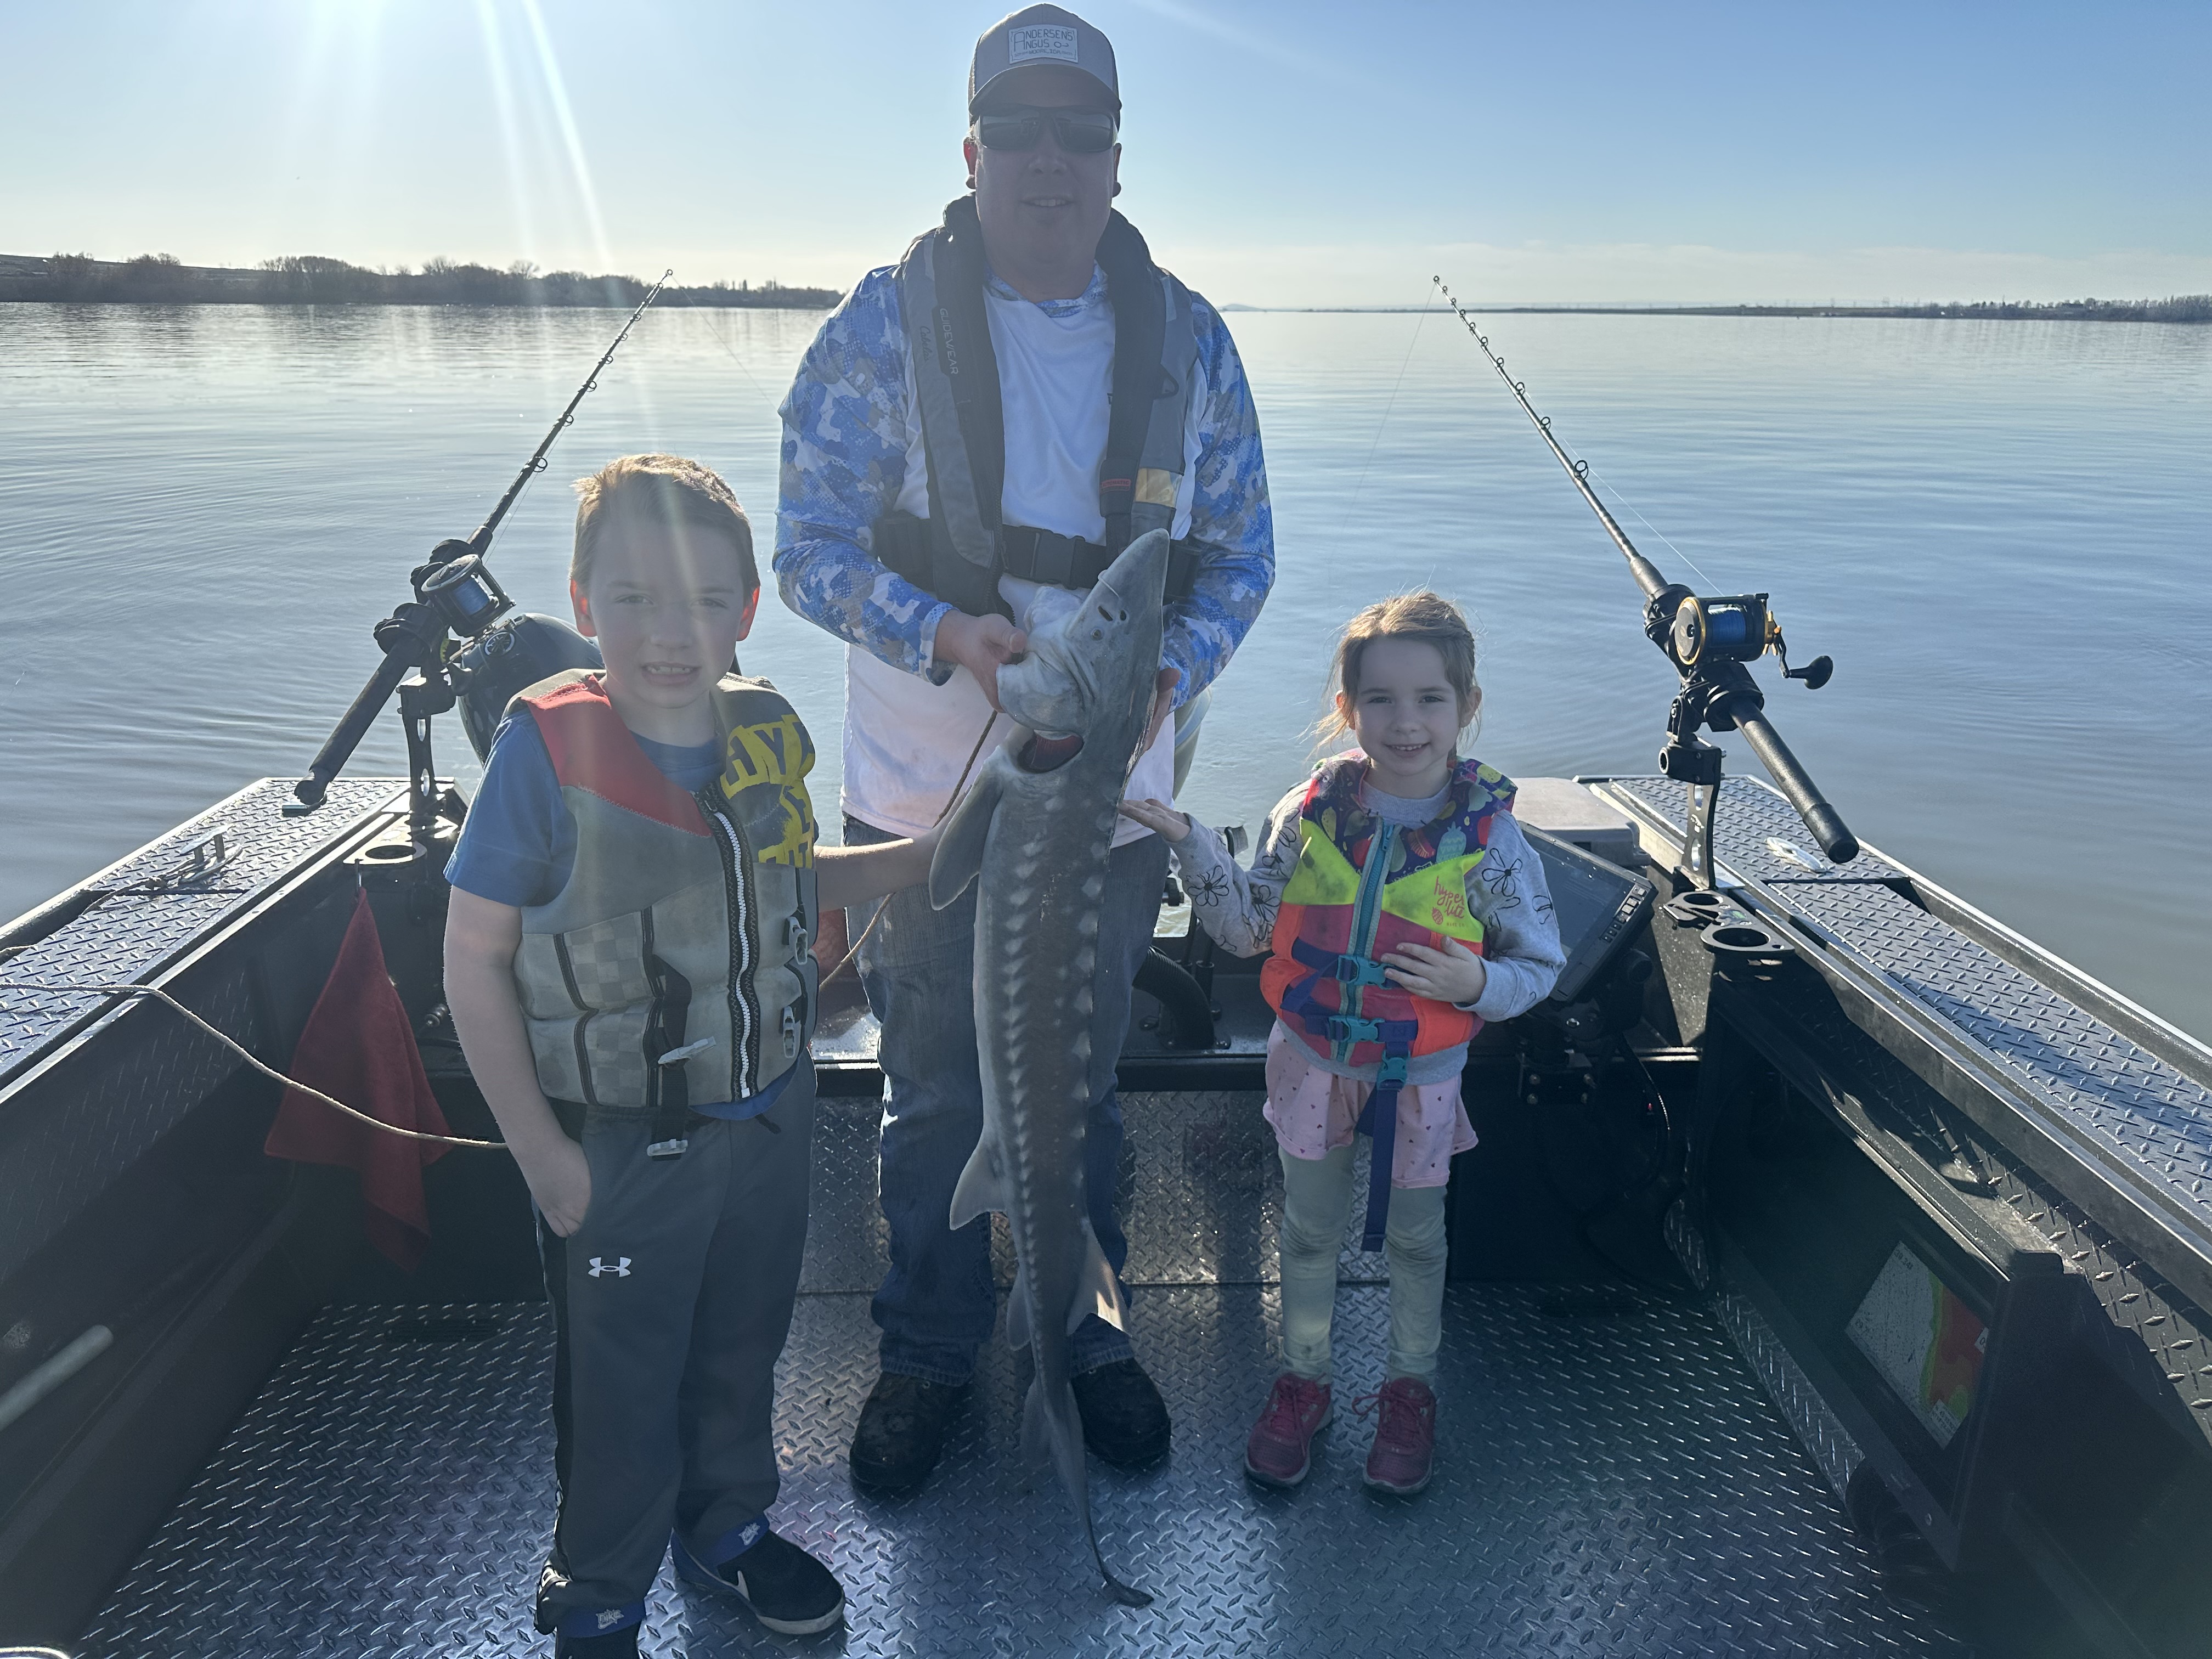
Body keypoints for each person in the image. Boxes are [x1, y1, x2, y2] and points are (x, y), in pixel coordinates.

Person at [775, 4, 1274, 1493]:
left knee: (1081, 1083)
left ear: (1116, 159)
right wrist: (944, 629)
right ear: (973, 152)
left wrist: (1167, 672)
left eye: (1083, 134)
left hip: (1109, 807)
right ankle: (931, 1347)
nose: (1053, 161)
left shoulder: (1191, 338)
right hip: (922, 806)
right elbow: (804, 548)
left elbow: (1241, 558)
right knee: (935, 1090)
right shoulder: (884, 327)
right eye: (1022, 132)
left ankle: (1088, 1330)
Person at [443, 455, 939, 1658]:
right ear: (583, 601)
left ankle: (727, 1525)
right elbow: (472, 964)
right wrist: (544, 1157)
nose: (672, 634)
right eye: (635, 600)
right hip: (619, 1145)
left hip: (768, 1119)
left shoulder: (765, 728)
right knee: (619, 1382)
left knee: (741, 1345)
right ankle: (600, 1587)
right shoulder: (541, 757)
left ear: (747, 612)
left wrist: (929, 855)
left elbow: (788, 876)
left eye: (706, 602)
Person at [1120, 592, 1565, 1497]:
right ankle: (1305, 1381)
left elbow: (1540, 965)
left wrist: (1477, 985)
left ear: (1467, 706)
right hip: (1313, 1064)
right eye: (1380, 699)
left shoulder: (1493, 838)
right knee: (1309, 1230)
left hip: (1422, 1079)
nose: (1406, 723)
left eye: (1431, 698)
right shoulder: (1310, 810)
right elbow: (1248, 929)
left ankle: (1410, 1390)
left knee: (1418, 1242)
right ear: (1346, 709)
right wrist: (1192, 843)